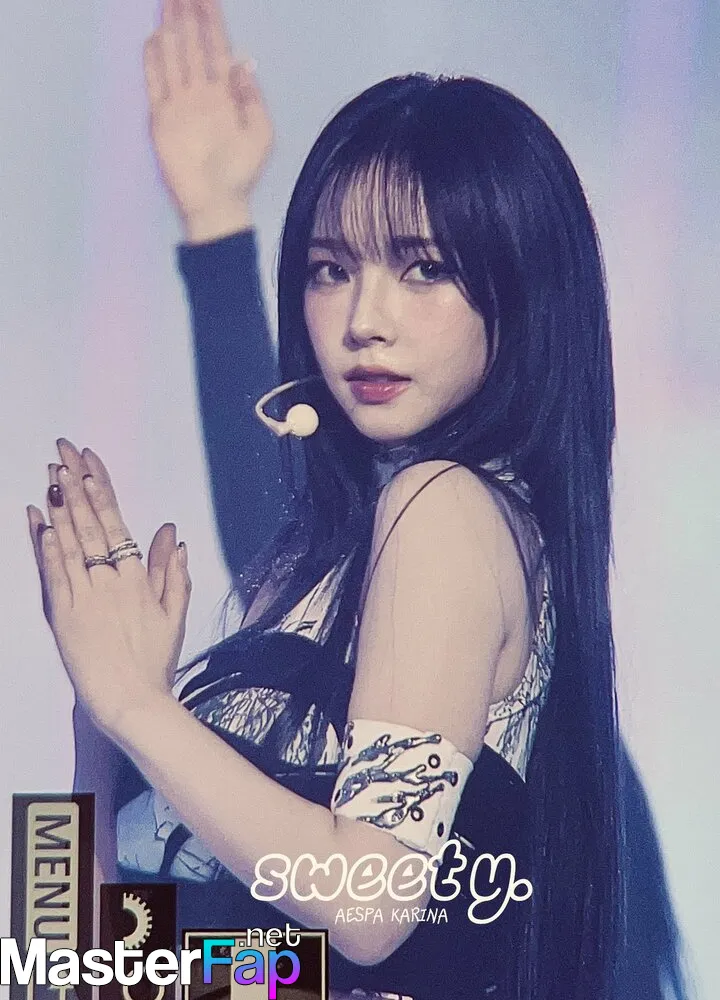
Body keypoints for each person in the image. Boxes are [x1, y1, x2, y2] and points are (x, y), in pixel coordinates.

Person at [27, 1, 624, 997]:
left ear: (522, 290)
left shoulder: (443, 506)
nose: (363, 319)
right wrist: (97, 716)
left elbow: (368, 905)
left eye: (424, 268)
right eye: (330, 269)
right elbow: (61, 961)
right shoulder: (317, 567)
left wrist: (139, 704)